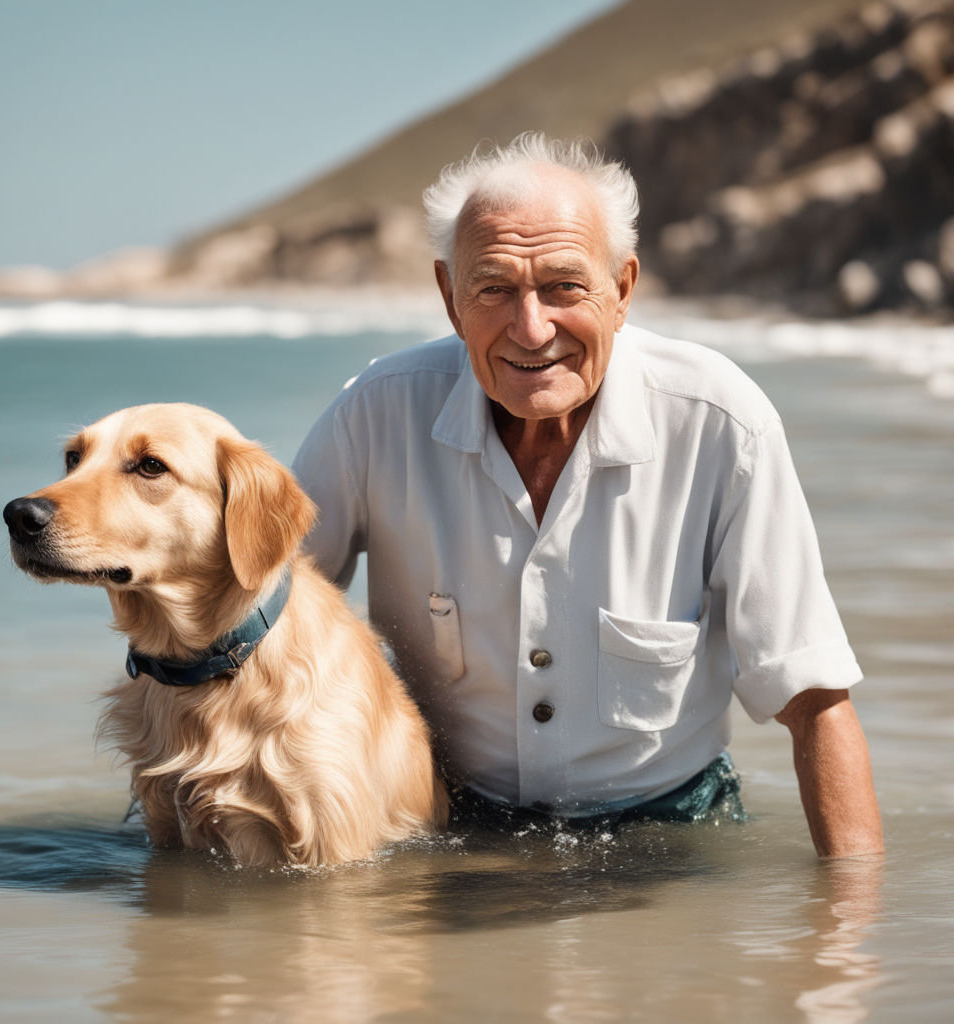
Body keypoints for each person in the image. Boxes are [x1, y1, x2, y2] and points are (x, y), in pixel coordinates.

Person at [292, 132, 884, 858]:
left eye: (564, 287)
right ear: (450, 298)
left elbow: (814, 700)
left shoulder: (721, 423)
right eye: (494, 289)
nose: (531, 328)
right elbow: (257, 609)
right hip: (448, 829)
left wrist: (848, 941)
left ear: (623, 290)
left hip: (671, 836)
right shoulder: (376, 414)